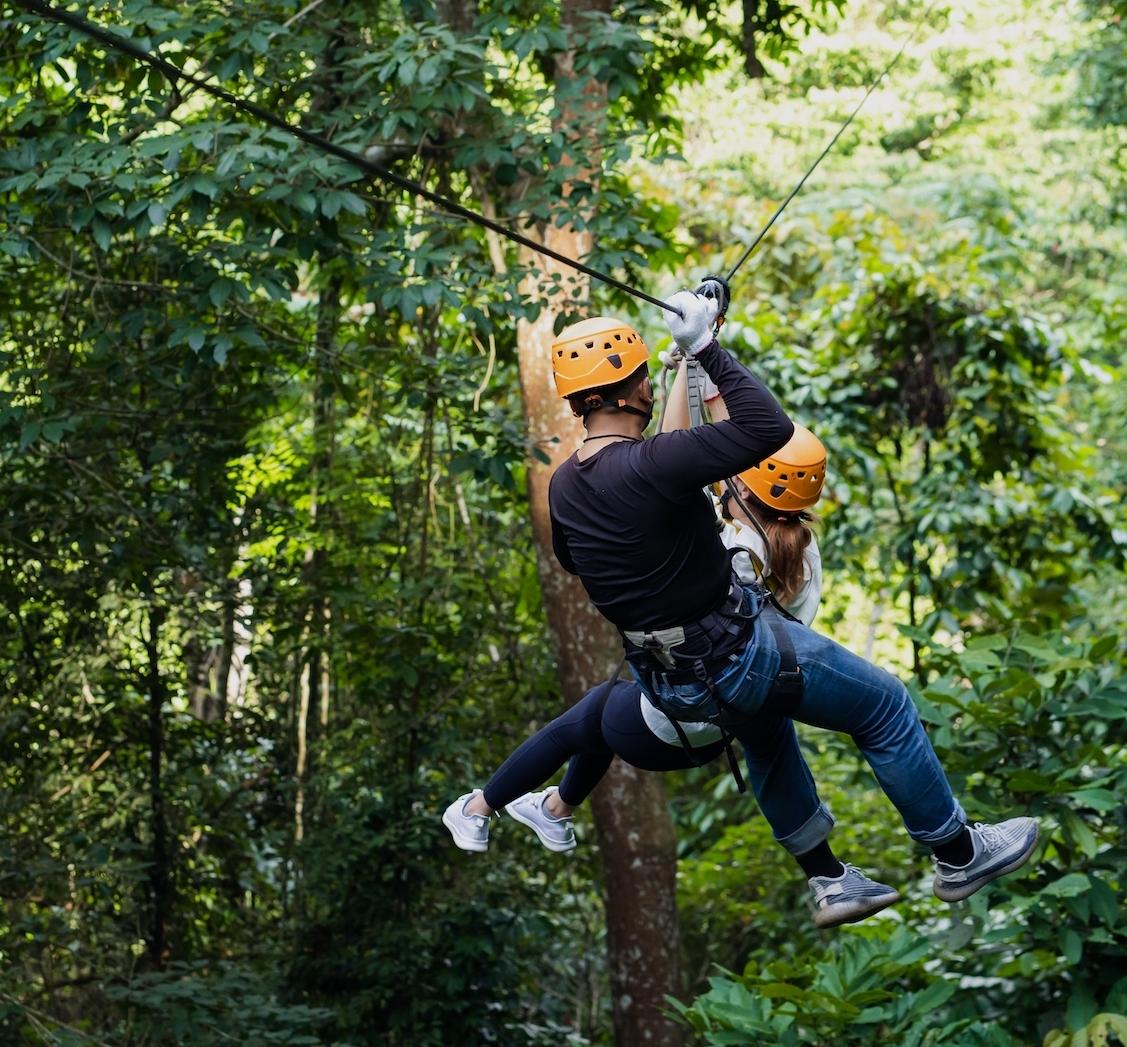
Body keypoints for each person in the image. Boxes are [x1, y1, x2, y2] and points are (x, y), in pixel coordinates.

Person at [445, 301, 1039, 927]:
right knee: (884, 704)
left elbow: (580, 553)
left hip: (667, 683)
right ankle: (959, 852)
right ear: (626, 390)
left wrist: (692, 364)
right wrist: (704, 350)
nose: (650, 385)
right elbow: (766, 427)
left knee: (766, 733)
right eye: (645, 376)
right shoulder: (655, 467)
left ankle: (831, 882)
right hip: (736, 654)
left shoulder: (568, 485)